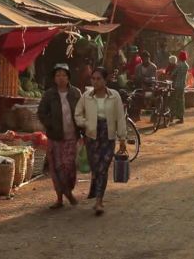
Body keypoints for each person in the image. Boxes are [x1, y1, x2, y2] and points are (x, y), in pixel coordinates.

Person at [74, 67, 127, 216]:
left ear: (105, 80)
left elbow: (120, 118)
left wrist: (122, 137)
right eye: (93, 79)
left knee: (103, 168)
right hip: (91, 136)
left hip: (108, 136)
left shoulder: (114, 96)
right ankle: (95, 185)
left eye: (99, 79)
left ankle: (99, 201)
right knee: (96, 168)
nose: (95, 82)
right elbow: (77, 114)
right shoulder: (86, 96)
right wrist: (86, 123)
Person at [37, 64, 81, 209]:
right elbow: (41, 112)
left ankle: (68, 190)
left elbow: (82, 112)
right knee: (56, 168)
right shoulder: (49, 94)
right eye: (58, 75)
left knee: (69, 166)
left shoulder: (75, 93)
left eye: (63, 75)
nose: (61, 78)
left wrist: (83, 130)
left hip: (71, 136)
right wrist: (50, 124)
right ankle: (61, 197)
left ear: (68, 77)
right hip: (55, 137)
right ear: (54, 78)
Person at [170, 51, 189, 124]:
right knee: (181, 101)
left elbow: (173, 74)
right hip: (183, 85)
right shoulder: (186, 65)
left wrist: (170, 75)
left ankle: (172, 117)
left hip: (177, 85)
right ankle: (181, 118)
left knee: (174, 101)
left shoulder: (179, 65)